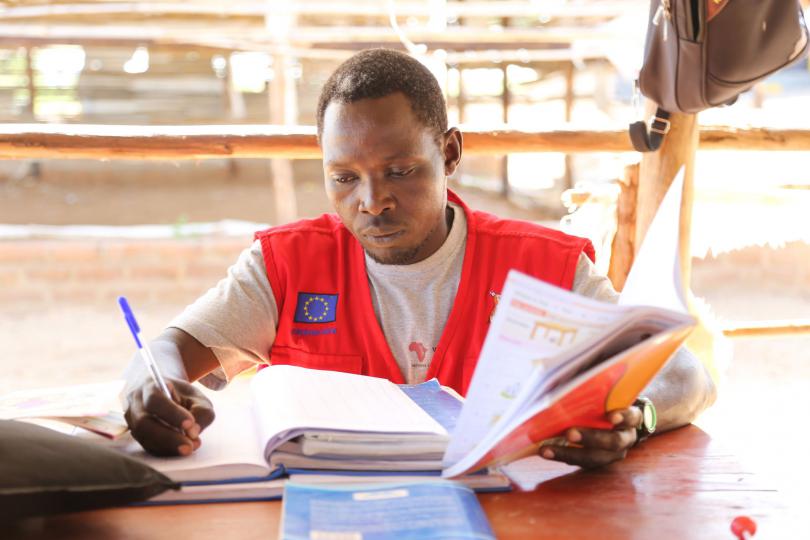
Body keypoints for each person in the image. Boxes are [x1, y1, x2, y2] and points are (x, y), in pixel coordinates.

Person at [123, 48, 716, 469]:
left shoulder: (543, 266)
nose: (372, 201)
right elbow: (171, 349)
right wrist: (150, 384)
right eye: (344, 177)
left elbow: (685, 374)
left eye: (400, 171)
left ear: (450, 152)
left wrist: (633, 418)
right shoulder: (286, 265)